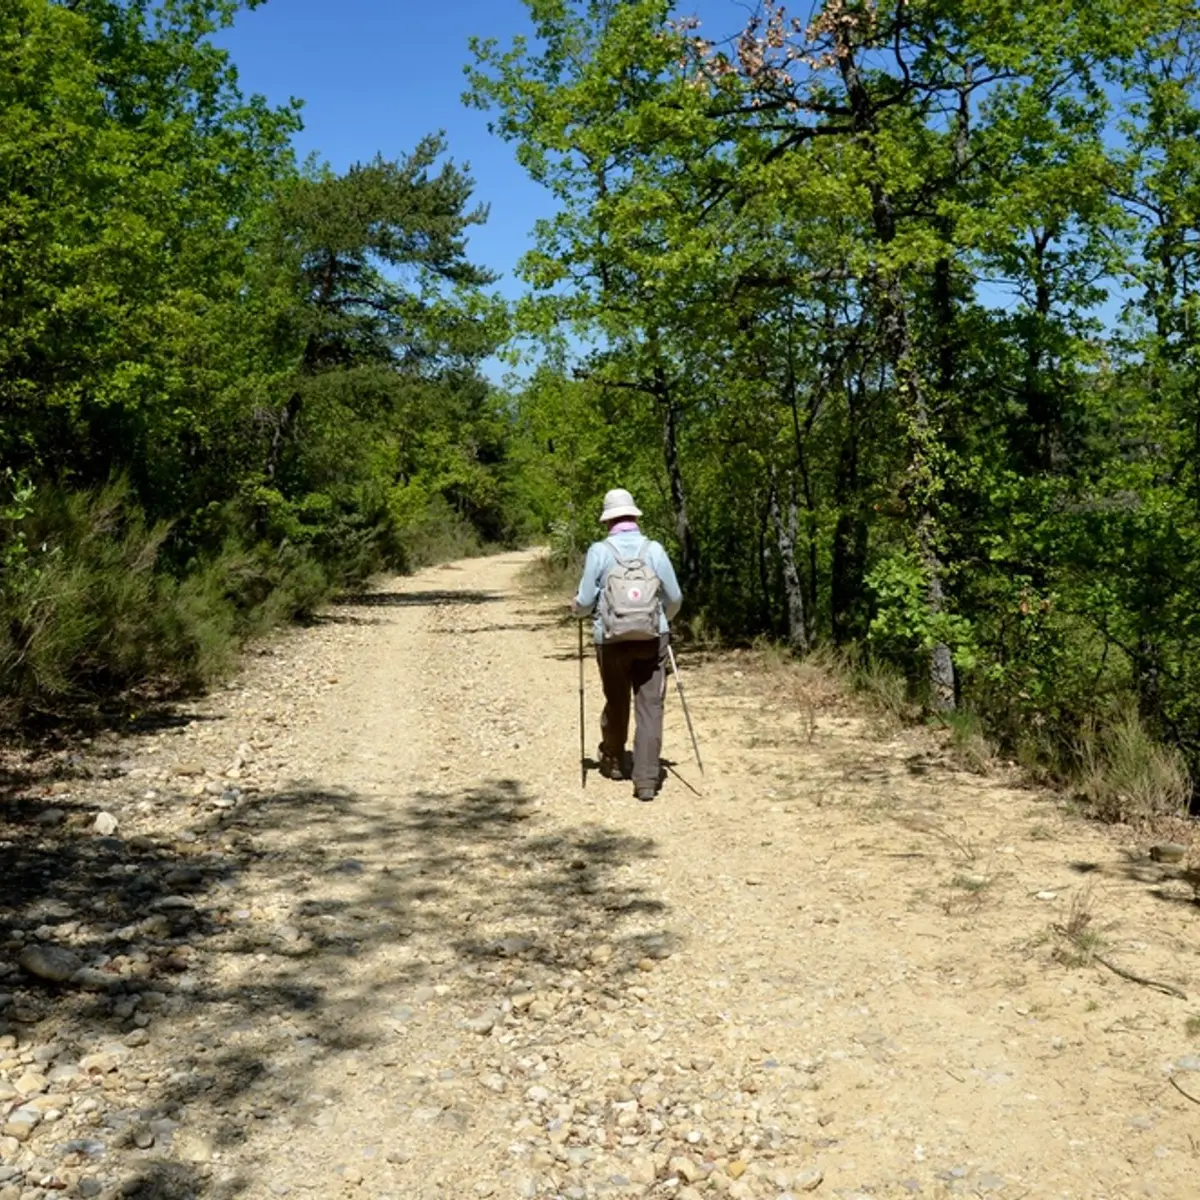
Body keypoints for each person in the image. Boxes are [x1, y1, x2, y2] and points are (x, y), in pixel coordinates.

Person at [571, 488, 683, 801]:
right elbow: (674, 597)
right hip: (652, 637)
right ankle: (646, 779)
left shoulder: (600, 551)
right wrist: (663, 621)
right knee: (650, 706)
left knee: (616, 699)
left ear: (608, 520)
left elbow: (584, 601)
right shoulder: (654, 550)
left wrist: (576, 610)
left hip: (611, 639)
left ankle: (614, 761)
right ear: (634, 516)